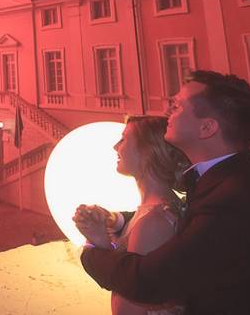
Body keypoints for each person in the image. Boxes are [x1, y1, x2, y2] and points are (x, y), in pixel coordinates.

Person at [76, 71, 250, 315]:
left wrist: (92, 249)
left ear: (207, 127)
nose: (168, 111)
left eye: (177, 106)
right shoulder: (232, 177)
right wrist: (117, 219)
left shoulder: (233, 198)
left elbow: (148, 281)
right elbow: (187, 219)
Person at [77, 116, 189, 314]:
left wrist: (99, 242)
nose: (115, 146)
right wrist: (110, 222)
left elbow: (126, 309)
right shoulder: (161, 208)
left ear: (147, 152)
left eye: (123, 139)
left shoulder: (153, 223)